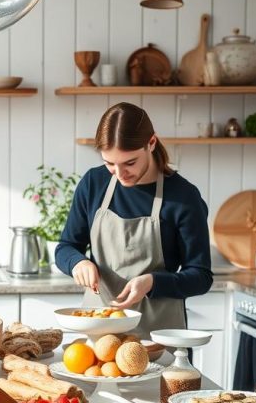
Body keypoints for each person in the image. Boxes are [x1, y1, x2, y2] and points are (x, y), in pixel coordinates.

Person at [56, 102, 213, 338]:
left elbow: (201, 277)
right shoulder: (93, 183)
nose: (120, 175)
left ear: (151, 143)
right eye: (110, 164)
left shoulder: (183, 196)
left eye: (129, 163)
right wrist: (77, 263)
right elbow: (66, 247)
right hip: (100, 334)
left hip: (159, 336)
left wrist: (152, 282)